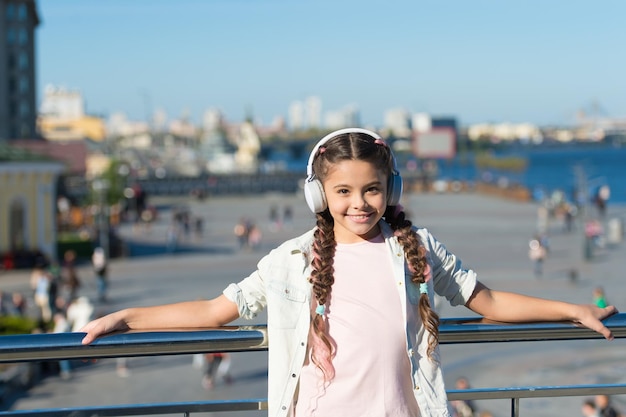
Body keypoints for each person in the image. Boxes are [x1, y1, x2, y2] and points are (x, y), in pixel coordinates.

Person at [81, 128, 617, 417]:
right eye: (343, 191)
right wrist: (128, 318)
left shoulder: (418, 248)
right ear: (319, 194)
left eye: (371, 189)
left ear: (392, 189)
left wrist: (571, 309)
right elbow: (214, 310)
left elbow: (489, 301)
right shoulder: (292, 261)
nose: (359, 203)